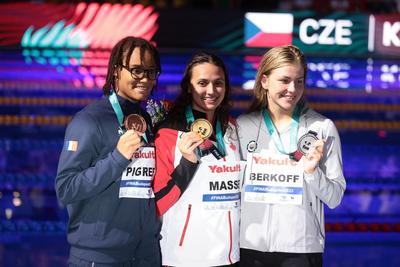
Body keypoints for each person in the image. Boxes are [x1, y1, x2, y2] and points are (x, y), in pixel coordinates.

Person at [55, 36, 162, 267]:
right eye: (136, 70)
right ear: (116, 71)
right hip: (101, 258)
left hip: (145, 254)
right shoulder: (89, 121)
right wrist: (117, 158)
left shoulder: (147, 120)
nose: (145, 78)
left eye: (151, 72)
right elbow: (65, 188)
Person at [237, 45, 346, 267]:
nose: (292, 89)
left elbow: (334, 198)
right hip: (249, 247)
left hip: (301, 249)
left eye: (299, 81)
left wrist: (312, 172)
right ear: (264, 81)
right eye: (284, 80)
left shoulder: (322, 128)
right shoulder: (243, 126)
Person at [152, 52, 244, 266]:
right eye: (202, 83)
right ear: (188, 87)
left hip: (228, 257)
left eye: (218, 83)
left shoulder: (232, 128)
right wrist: (187, 163)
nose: (211, 91)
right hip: (184, 257)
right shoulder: (169, 132)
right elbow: (157, 203)